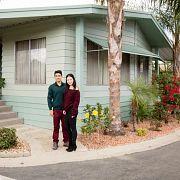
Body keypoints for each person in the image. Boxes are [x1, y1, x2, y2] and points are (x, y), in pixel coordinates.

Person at [47, 70, 69, 150]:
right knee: (56, 127)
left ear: (61, 76)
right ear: (54, 77)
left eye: (59, 75)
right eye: (56, 76)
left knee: (65, 126)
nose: (58, 77)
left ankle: (66, 141)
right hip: (56, 110)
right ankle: (55, 142)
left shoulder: (65, 86)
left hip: (64, 110)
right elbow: (49, 98)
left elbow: (68, 98)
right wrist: (50, 109)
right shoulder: (52, 87)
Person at [63, 74, 80, 152]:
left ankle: (74, 145)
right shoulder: (66, 88)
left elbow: (76, 102)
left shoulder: (76, 89)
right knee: (67, 127)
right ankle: (70, 144)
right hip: (66, 112)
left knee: (73, 128)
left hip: (72, 111)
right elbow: (65, 101)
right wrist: (64, 109)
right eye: (67, 80)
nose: (69, 81)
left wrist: (73, 113)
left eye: (70, 79)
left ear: (73, 79)